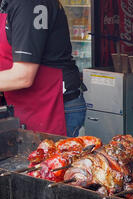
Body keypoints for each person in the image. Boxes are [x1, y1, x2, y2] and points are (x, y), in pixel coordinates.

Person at [0, 0, 86, 137]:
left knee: (50, 156)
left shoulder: (28, 4)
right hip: (30, 104)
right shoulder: (8, 4)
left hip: (54, 104)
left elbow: (23, 76)